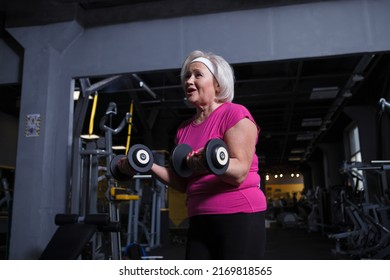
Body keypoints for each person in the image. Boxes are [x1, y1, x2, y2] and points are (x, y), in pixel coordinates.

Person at [118, 50, 267, 259]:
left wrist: (205, 163)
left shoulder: (234, 113)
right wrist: (148, 164)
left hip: (239, 213)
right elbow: (183, 183)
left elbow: (240, 171)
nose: (189, 80)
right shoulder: (184, 129)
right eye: (187, 76)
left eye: (197, 75)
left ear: (217, 84)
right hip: (200, 217)